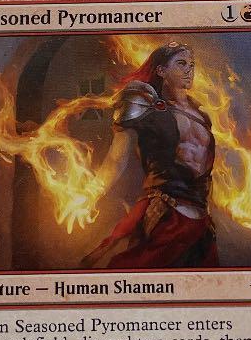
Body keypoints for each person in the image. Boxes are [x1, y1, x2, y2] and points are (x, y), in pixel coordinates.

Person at [83, 43, 219, 269]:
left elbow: (206, 170)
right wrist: (91, 192)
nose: (189, 69)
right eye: (181, 63)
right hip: (166, 212)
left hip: (200, 221)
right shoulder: (145, 106)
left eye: (192, 64)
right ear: (161, 70)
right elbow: (117, 158)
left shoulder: (202, 115)